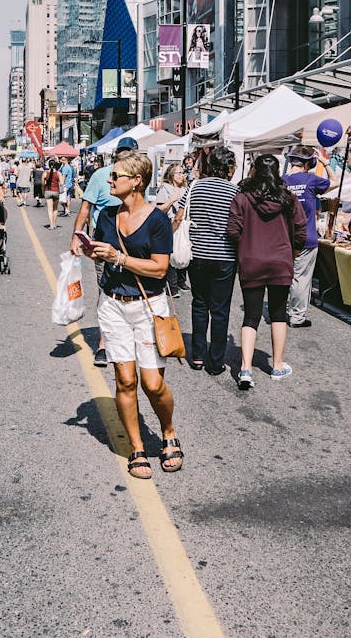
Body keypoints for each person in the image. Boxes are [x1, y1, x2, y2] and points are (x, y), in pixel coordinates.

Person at [83, 150, 181, 479]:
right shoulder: (107, 216)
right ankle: (137, 447)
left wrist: (118, 258)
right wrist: (90, 249)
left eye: (115, 177)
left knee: (153, 384)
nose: (109, 181)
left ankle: (168, 431)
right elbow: (102, 252)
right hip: (112, 306)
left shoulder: (157, 221)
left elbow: (160, 268)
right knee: (125, 380)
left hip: (147, 307)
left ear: (136, 181)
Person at [226, 153, 306, 388]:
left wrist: (245, 246)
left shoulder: (242, 198)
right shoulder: (289, 198)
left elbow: (232, 231)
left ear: (254, 171)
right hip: (281, 260)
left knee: (250, 316)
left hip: (251, 260)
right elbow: (301, 231)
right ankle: (278, 366)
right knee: (278, 314)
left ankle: (246, 369)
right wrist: (293, 252)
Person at [70, 137, 141, 367]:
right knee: (107, 291)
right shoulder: (101, 176)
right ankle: (103, 344)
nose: (125, 156)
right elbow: (86, 207)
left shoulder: (138, 178)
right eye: (122, 153)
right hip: (104, 242)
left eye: (129, 153)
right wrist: (75, 236)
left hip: (133, 243)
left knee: (134, 290)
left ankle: (132, 340)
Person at [186, 143, 239, 375]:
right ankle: (215, 362)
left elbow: (180, 213)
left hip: (196, 254)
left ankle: (197, 355)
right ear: (228, 168)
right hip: (224, 256)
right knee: (220, 309)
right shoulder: (235, 193)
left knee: (199, 303)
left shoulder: (195, 187)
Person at [283, 145, 335, 329]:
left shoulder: (282, 181)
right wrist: (325, 163)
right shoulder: (311, 180)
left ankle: (287, 310)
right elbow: (335, 182)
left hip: (285, 238)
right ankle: (297, 317)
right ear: (308, 163)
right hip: (307, 238)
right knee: (301, 278)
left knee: (289, 276)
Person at [155, 163, 190, 298]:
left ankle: (182, 281)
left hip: (184, 224)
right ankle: (172, 286)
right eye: (178, 173)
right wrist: (171, 200)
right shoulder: (165, 188)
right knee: (171, 253)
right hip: (169, 224)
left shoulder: (186, 189)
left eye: (182, 172)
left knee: (183, 250)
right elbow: (159, 209)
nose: (181, 175)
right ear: (171, 175)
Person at [43, 158, 63, 229]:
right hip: (56, 191)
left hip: (48, 191)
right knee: (55, 209)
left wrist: (43, 190)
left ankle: (51, 224)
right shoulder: (58, 173)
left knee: (49, 209)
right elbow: (62, 183)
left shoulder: (45, 173)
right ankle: (54, 224)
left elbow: (43, 183)